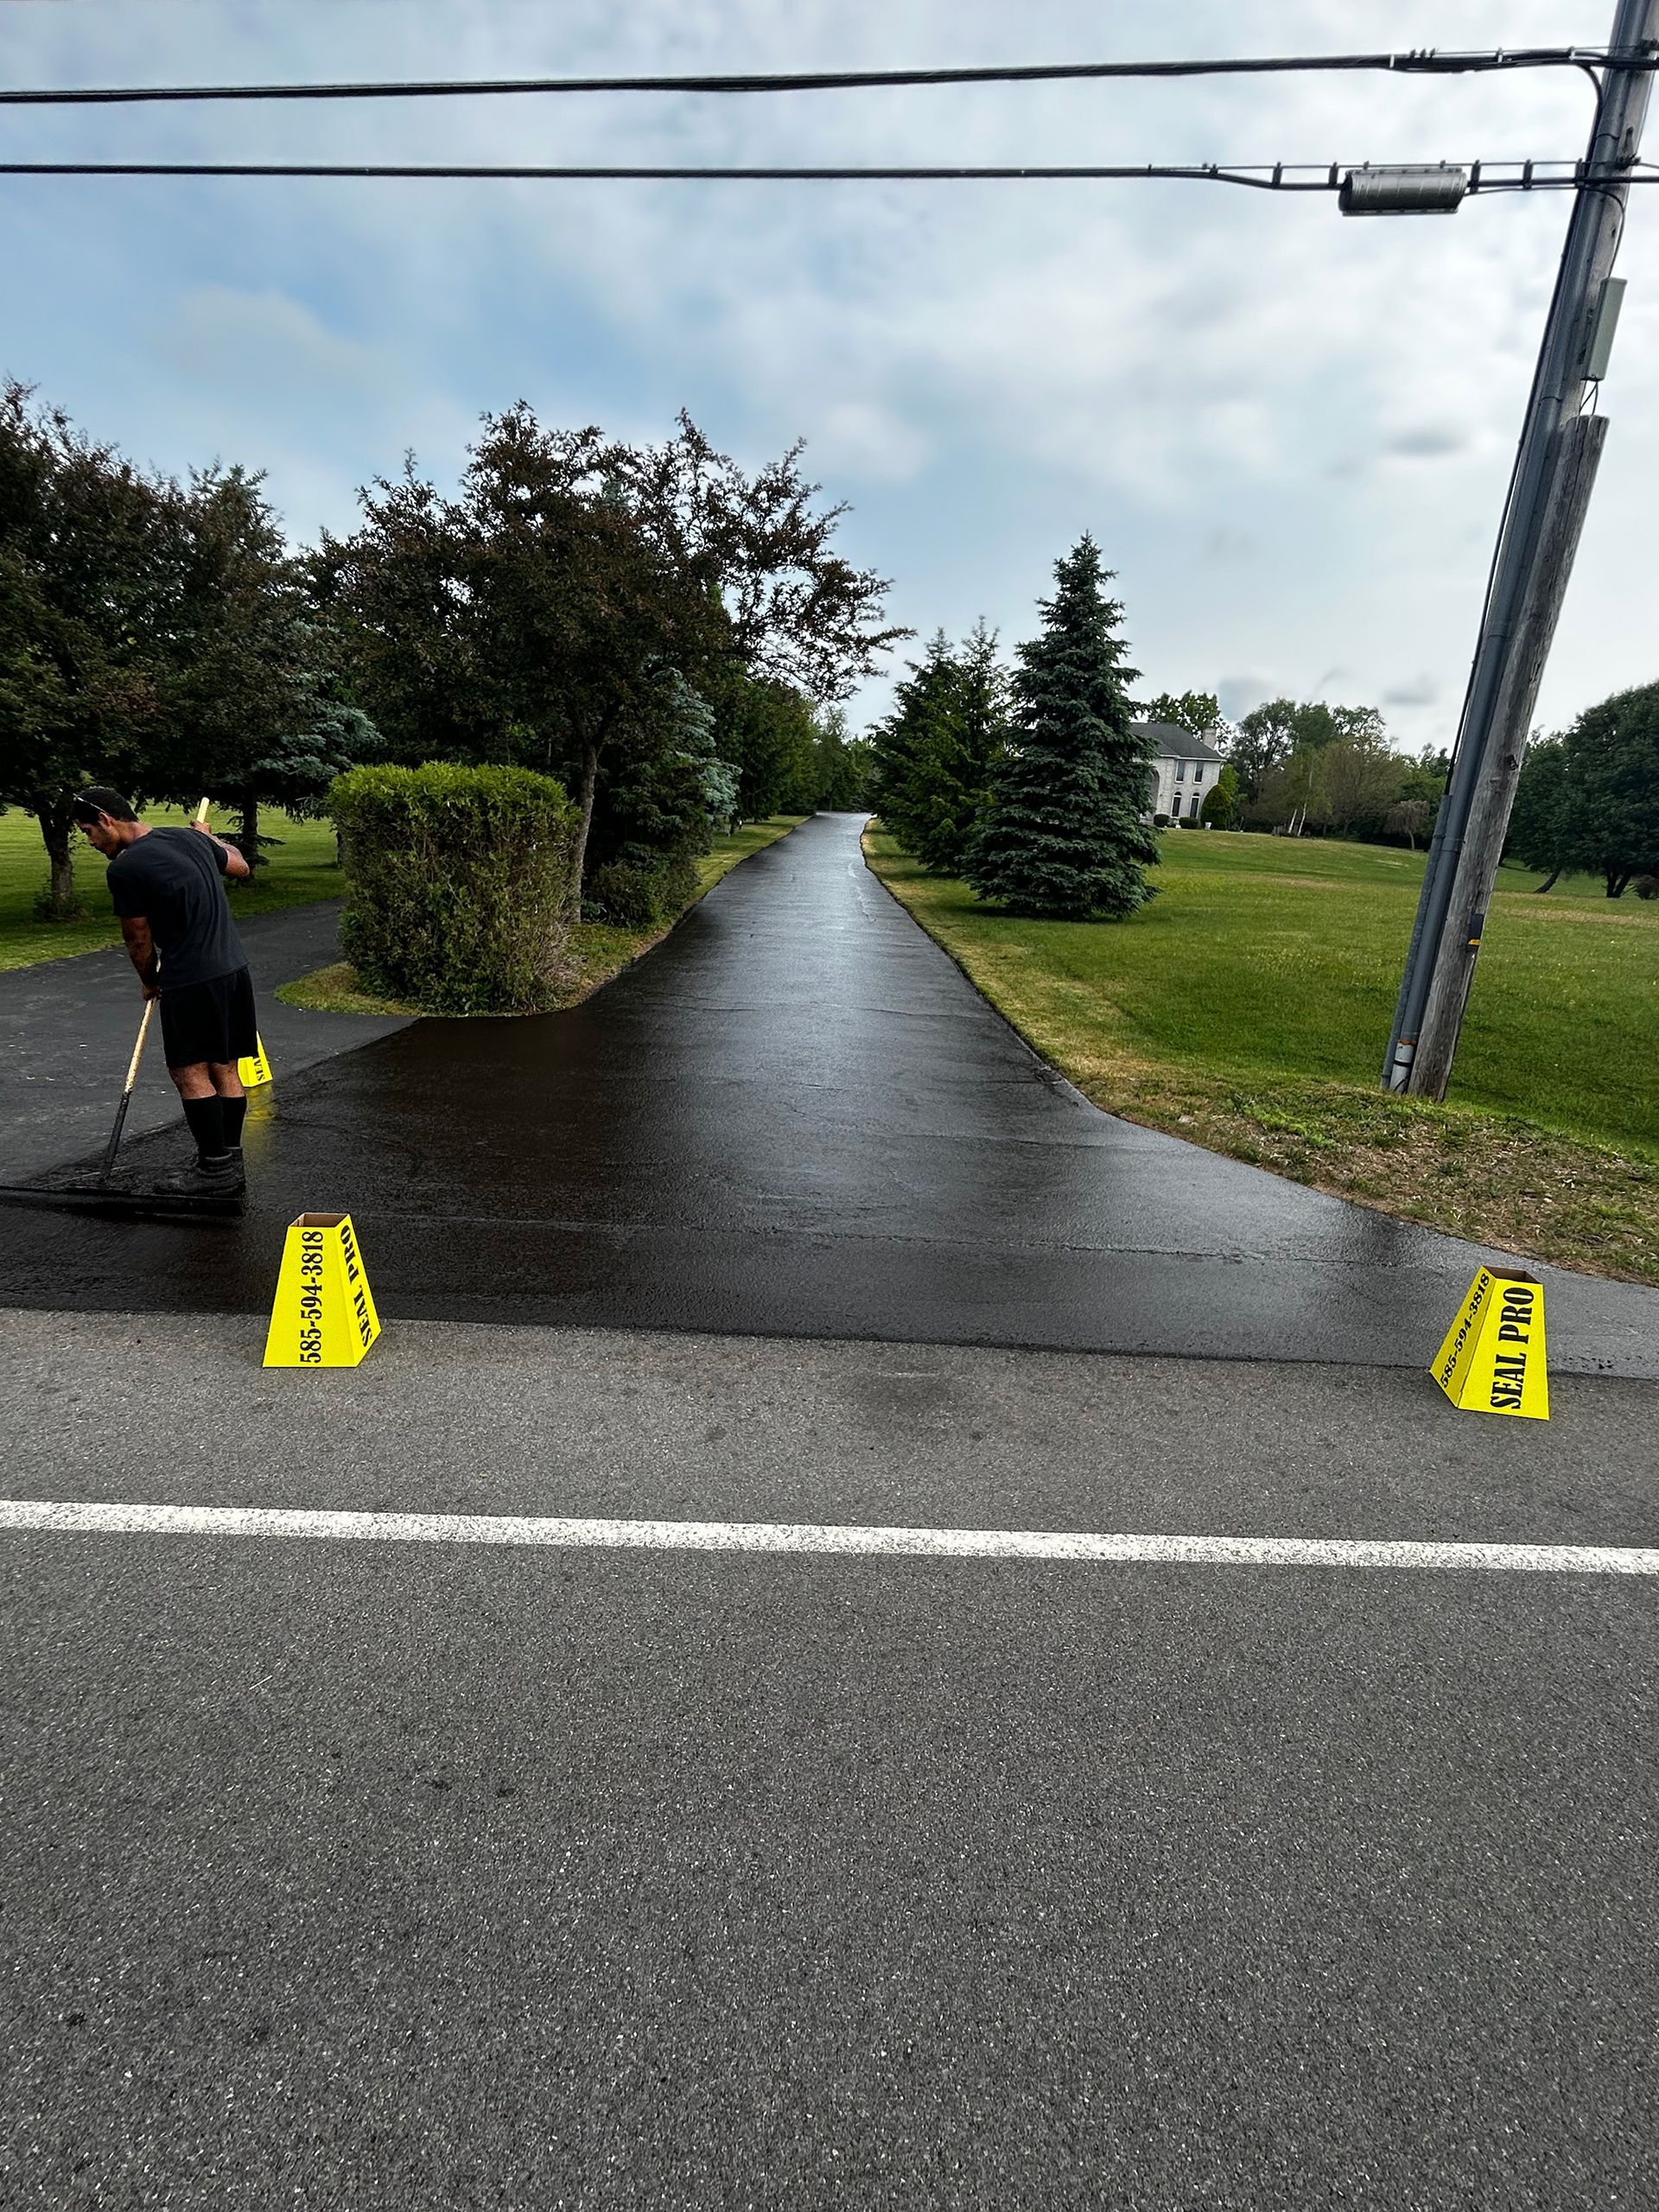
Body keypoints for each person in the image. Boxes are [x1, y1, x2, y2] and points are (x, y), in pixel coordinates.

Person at [73, 785, 257, 1197]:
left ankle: (214, 1171)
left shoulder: (125, 868)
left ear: (105, 819)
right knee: (226, 1068)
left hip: (191, 978)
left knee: (189, 1072)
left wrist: (150, 979)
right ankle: (228, 1161)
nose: (91, 842)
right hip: (233, 970)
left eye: (88, 831)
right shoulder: (188, 838)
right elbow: (240, 866)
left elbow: (138, 938)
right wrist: (209, 839)